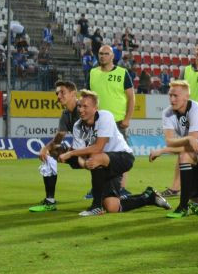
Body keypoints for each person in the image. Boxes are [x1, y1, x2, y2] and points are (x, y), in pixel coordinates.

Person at [59, 90, 170, 216]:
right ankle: (149, 197)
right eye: (79, 106)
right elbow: (81, 156)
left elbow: (98, 147)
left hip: (123, 157)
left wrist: (70, 154)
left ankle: (96, 206)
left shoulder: (105, 116)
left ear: (95, 108)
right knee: (112, 206)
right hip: (103, 164)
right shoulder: (77, 126)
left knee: (96, 157)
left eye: (85, 106)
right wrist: (83, 163)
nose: (81, 110)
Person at [149, 80, 198, 218]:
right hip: (197, 160)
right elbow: (170, 141)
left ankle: (182, 207)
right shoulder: (167, 113)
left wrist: (161, 151)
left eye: (176, 96)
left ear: (186, 97)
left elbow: (189, 146)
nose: (172, 99)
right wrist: (188, 138)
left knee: (184, 155)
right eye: (170, 95)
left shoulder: (196, 110)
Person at [89, 44, 136, 197]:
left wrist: (128, 118)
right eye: (100, 53)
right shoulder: (93, 73)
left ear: (112, 56)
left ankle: (121, 188)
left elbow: (131, 97)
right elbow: (88, 97)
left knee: (121, 154)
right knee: (97, 154)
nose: (102, 56)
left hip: (117, 122)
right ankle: (97, 187)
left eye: (106, 54)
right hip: (97, 122)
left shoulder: (122, 73)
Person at [29, 81, 82, 213]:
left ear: (73, 93)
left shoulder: (84, 109)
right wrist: (45, 148)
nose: (58, 96)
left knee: (110, 203)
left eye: (62, 92)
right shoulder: (66, 114)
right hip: (81, 153)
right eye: (57, 93)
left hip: (98, 152)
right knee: (50, 154)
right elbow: (59, 138)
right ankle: (50, 201)